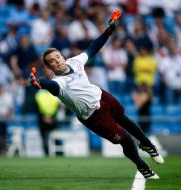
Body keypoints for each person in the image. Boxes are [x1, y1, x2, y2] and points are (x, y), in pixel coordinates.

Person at [29, 9, 164, 179]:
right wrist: (37, 83)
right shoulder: (58, 82)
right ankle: (142, 166)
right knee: (126, 139)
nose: (57, 61)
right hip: (92, 116)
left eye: (58, 56)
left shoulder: (75, 61)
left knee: (125, 119)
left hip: (101, 95)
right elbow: (48, 85)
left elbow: (93, 47)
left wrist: (108, 31)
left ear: (62, 56)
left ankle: (147, 144)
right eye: (52, 61)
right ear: (50, 68)